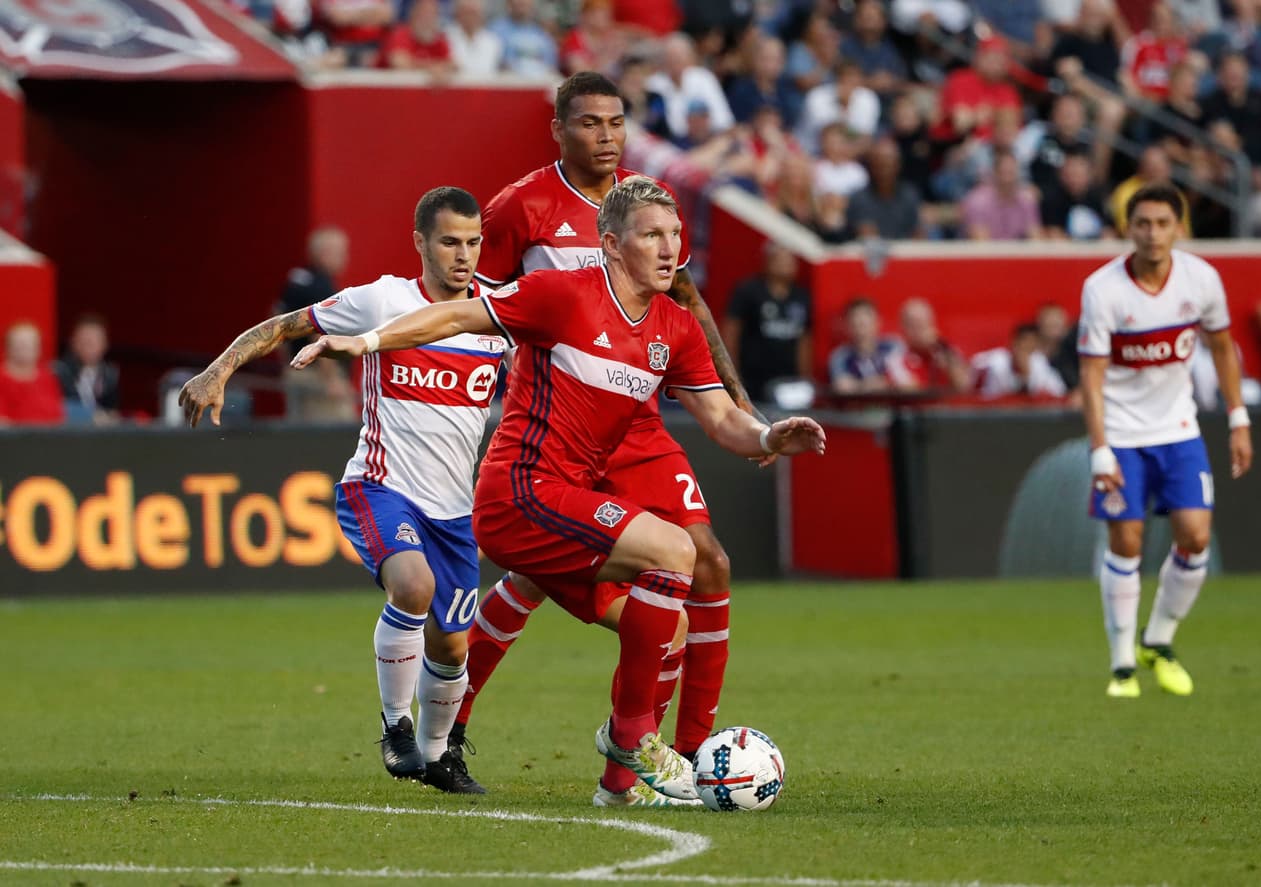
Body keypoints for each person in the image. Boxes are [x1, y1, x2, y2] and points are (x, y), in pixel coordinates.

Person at [292, 175, 827, 806]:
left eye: (675, 234)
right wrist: (370, 339)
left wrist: (768, 439)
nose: (668, 248)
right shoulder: (564, 294)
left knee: (670, 628)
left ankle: (619, 787)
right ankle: (630, 736)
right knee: (675, 551)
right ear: (609, 243)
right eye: (651, 234)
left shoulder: (675, 328)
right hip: (519, 493)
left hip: (564, 508)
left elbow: (721, 420)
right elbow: (461, 311)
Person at [464, 72, 763, 807]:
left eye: (616, 122)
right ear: (560, 129)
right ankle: (448, 725)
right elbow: (476, 303)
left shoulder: (644, 209)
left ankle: (687, 750)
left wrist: (743, 408)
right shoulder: (521, 207)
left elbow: (685, 305)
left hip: (638, 420)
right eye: (591, 122)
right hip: (560, 415)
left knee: (707, 564)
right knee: (544, 573)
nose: (606, 135)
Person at [177, 188, 504, 793]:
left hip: (457, 510)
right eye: (449, 242)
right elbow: (285, 326)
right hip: (381, 486)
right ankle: (395, 727)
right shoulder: (383, 300)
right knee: (413, 584)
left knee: (453, 647)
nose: (464, 255)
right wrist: (219, 368)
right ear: (421, 243)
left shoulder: (498, 315)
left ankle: (437, 758)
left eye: (473, 242)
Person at [1078, 183, 1252, 699]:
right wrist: (1100, 447)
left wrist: (1238, 417)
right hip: (1123, 434)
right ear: (1127, 229)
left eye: (1162, 224)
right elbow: (1091, 376)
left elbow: (1223, 348)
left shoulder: (1202, 279)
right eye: (1142, 224)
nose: (1152, 234)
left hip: (1179, 430)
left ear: (1179, 228)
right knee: (1126, 541)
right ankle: (1122, 663)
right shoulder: (1103, 289)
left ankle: (1159, 639)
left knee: (1195, 536)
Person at [277, 227, 359, 423]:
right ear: (325, 254)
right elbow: (320, 335)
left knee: (300, 437)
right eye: (341, 253)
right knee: (334, 438)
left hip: (295, 373)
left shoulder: (296, 281)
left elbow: (275, 320)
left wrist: (288, 362)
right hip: (320, 379)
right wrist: (332, 380)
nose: (346, 258)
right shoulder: (321, 288)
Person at [722, 241, 812, 403]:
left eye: (791, 260)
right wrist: (731, 375)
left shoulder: (801, 297)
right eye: (782, 259)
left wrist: (804, 377)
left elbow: (804, 341)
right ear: (768, 261)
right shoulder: (748, 291)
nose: (788, 264)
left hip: (788, 384)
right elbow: (731, 332)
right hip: (752, 380)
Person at [827, 298, 908, 395]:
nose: (861, 331)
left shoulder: (893, 346)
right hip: (857, 408)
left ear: (878, 322)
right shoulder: (840, 356)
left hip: (893, 407)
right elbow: (842, 387)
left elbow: (906, 381)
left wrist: (885, 382)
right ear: (847, 327)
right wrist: (867, 385)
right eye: (855, 324)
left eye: (864, 324)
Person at [54, 313, 121, 425]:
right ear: (73, 342)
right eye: (84, 339)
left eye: (94, 340)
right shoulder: (59, 372)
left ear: (105, 344)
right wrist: (90, 416)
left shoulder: (110, 375)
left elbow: (113, 412)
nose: (89, 344)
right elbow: (57, 408)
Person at [971, 323, 1068, 398]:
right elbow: (1000, 396)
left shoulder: (1038, 361)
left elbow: (1059, 391)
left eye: (1030, 347)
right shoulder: (998, 361)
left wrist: (1027, 376)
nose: (1025, 350)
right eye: (1023, 345)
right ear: (1014, 343)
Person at [0, 321, 65, 426]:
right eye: (20, 344)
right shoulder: (2, 378)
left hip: (50, 438)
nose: (25, 348)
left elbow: (59, 416)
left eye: (31, 344)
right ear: (8, 347)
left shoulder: (48, 378)